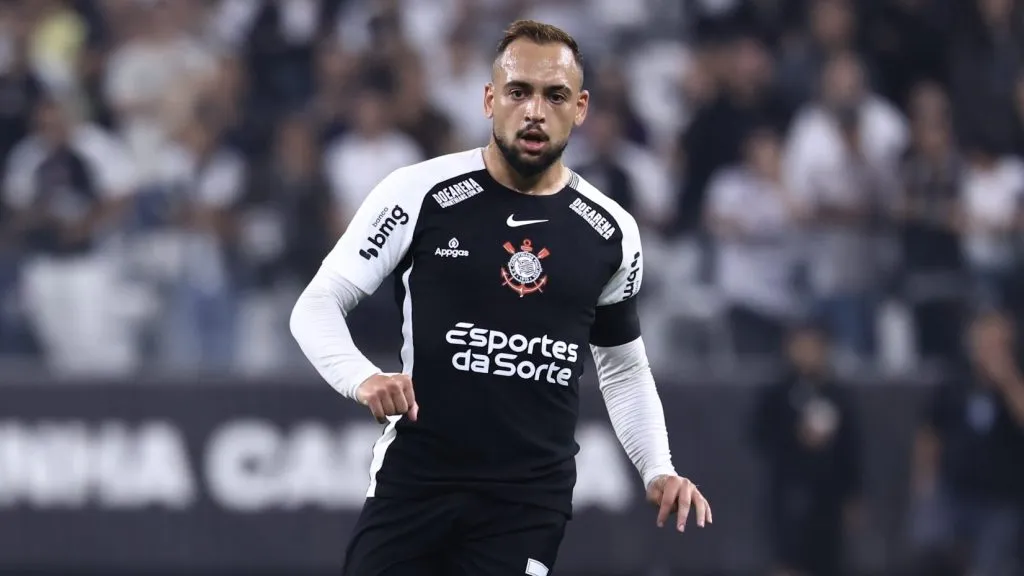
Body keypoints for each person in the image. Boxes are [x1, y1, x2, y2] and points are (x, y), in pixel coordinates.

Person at [290, 19, 712, 576]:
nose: (535, 110)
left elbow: (623, 368)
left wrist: (658, 468)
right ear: (491, 99)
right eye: (519, 92)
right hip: (417, 485)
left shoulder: (612, 231)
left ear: (580, 108)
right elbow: (316, 306)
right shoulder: (419, 193)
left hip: (526, 504)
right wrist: (362, 377)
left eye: (554, 95)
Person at [910, 310, 1024, 576]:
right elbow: (930, 433)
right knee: (928, 546)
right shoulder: (954, 381)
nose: (990, 350)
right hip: (954, 491)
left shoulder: (1016, 380)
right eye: (984, 342)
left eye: (998, 343)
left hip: (1002, 499)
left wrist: (1007, 380)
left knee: (991, 567)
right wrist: (925, 482)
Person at [750, 322, 864, 576]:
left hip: (829, 497)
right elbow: (758, 435)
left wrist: (853, 494)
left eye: (814, 346)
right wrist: (795, 435)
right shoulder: (777, 393)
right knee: (788, 559)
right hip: (788, 491)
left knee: (828, 558)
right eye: (801, 346)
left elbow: (851, 447)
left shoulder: (837, 394)